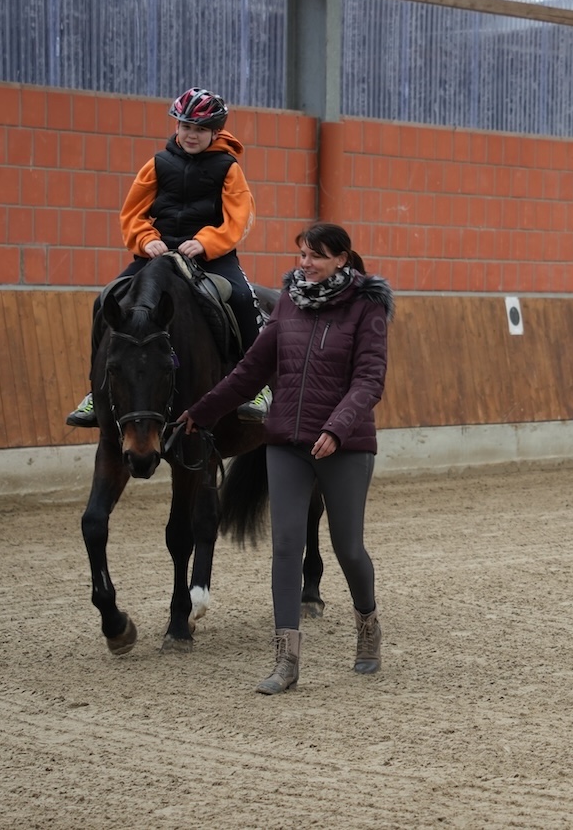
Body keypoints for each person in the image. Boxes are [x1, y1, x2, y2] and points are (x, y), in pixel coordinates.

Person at [180, 223, 393, 695]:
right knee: (285, 547)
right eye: (301, 254)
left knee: (348, 548)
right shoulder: (289, 303)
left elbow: (369, 381)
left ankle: (368, 627)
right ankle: (286, 661)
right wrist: (201, 411)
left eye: (316, 255)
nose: (305, 263)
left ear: (341, 258)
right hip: (286, 443)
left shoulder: (366, 308)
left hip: (345, 444)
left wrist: (337, 428)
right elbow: (250, 370)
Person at [67, 87, 270, 427]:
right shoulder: (158, 164)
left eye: (200, 129)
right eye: (186, 126)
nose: (192, 135)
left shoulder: (228, 168)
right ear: (177, 126)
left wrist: (206, 242)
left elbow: (240, 217)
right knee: (106, 299)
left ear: (215, 132)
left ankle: (260, 386)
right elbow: (132, 212)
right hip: (159, 251)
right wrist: (146, 240)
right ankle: (95, 388)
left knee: (240, 298)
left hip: (210, 254)